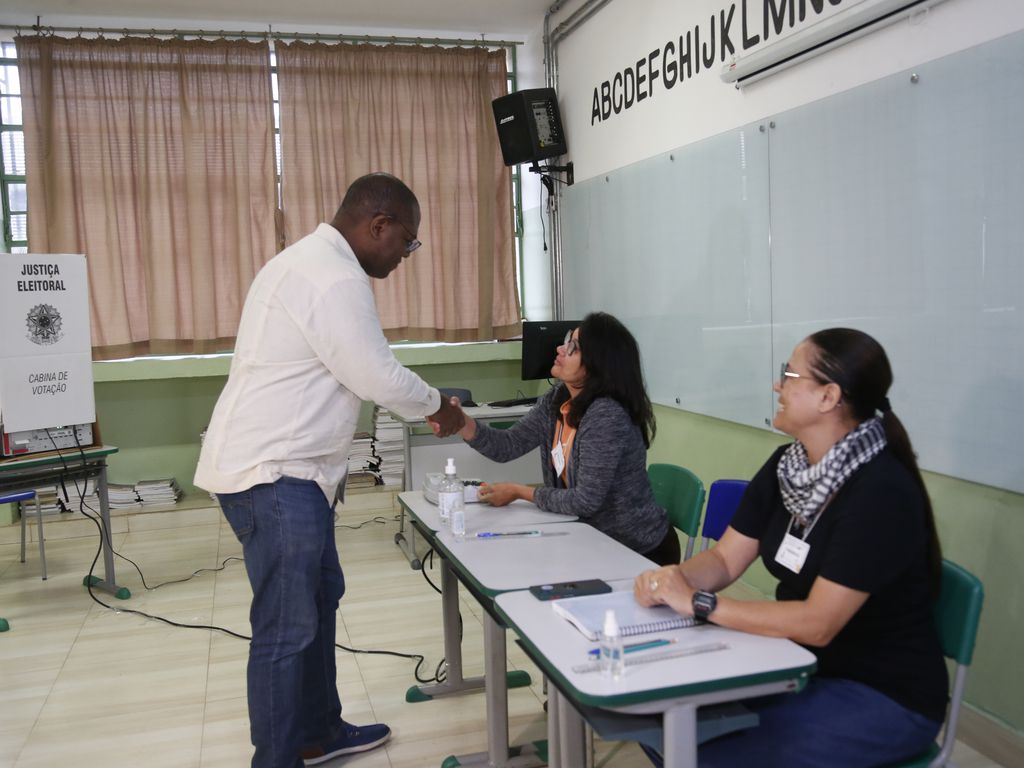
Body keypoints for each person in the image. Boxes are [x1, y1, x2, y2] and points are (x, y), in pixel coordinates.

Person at [195, 172, 464, 768]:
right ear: (379, 226)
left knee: (319, 601)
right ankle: (278, 758)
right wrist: (440, 408)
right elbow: (375, 375)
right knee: (286, 629)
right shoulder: (334, 277)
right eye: (407, 241)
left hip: (294, 476)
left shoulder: (312, 263)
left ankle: (318, 732)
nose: (406, 255)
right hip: (275, 476)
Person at [634, 328, 947, 767]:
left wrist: (700, 603)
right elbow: (725, 558)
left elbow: (819, 623)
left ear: (828, 396)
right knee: (662, 721)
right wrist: (672, 579)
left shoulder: (880, 491)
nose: (777, 385)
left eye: (789, 374)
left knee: (702, 751)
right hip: (797, 663)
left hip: (882, 694)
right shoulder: (788, 466)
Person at [454, 311, 679, 565]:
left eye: (573, 347)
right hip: (589, 538)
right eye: (566, 340)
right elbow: (508, 446)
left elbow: (585, 501)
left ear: (598, 364)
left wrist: (519, 491)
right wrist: (461, 422)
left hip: (636, 550)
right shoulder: (557, 399)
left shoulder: (606, 414)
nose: (560, 349)